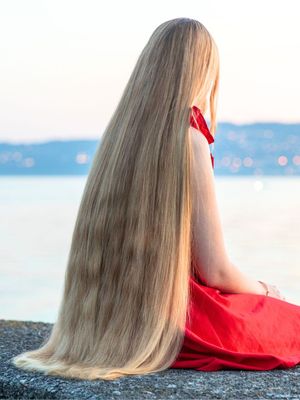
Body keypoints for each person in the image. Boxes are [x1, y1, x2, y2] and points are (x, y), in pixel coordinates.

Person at [11, 17, 300, 381]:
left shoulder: (120, 139)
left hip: (114, 323)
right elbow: (216, 271)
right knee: (289, 323)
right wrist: (268, 290)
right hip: (172, 325)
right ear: (202, 71)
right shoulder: (188, 137)